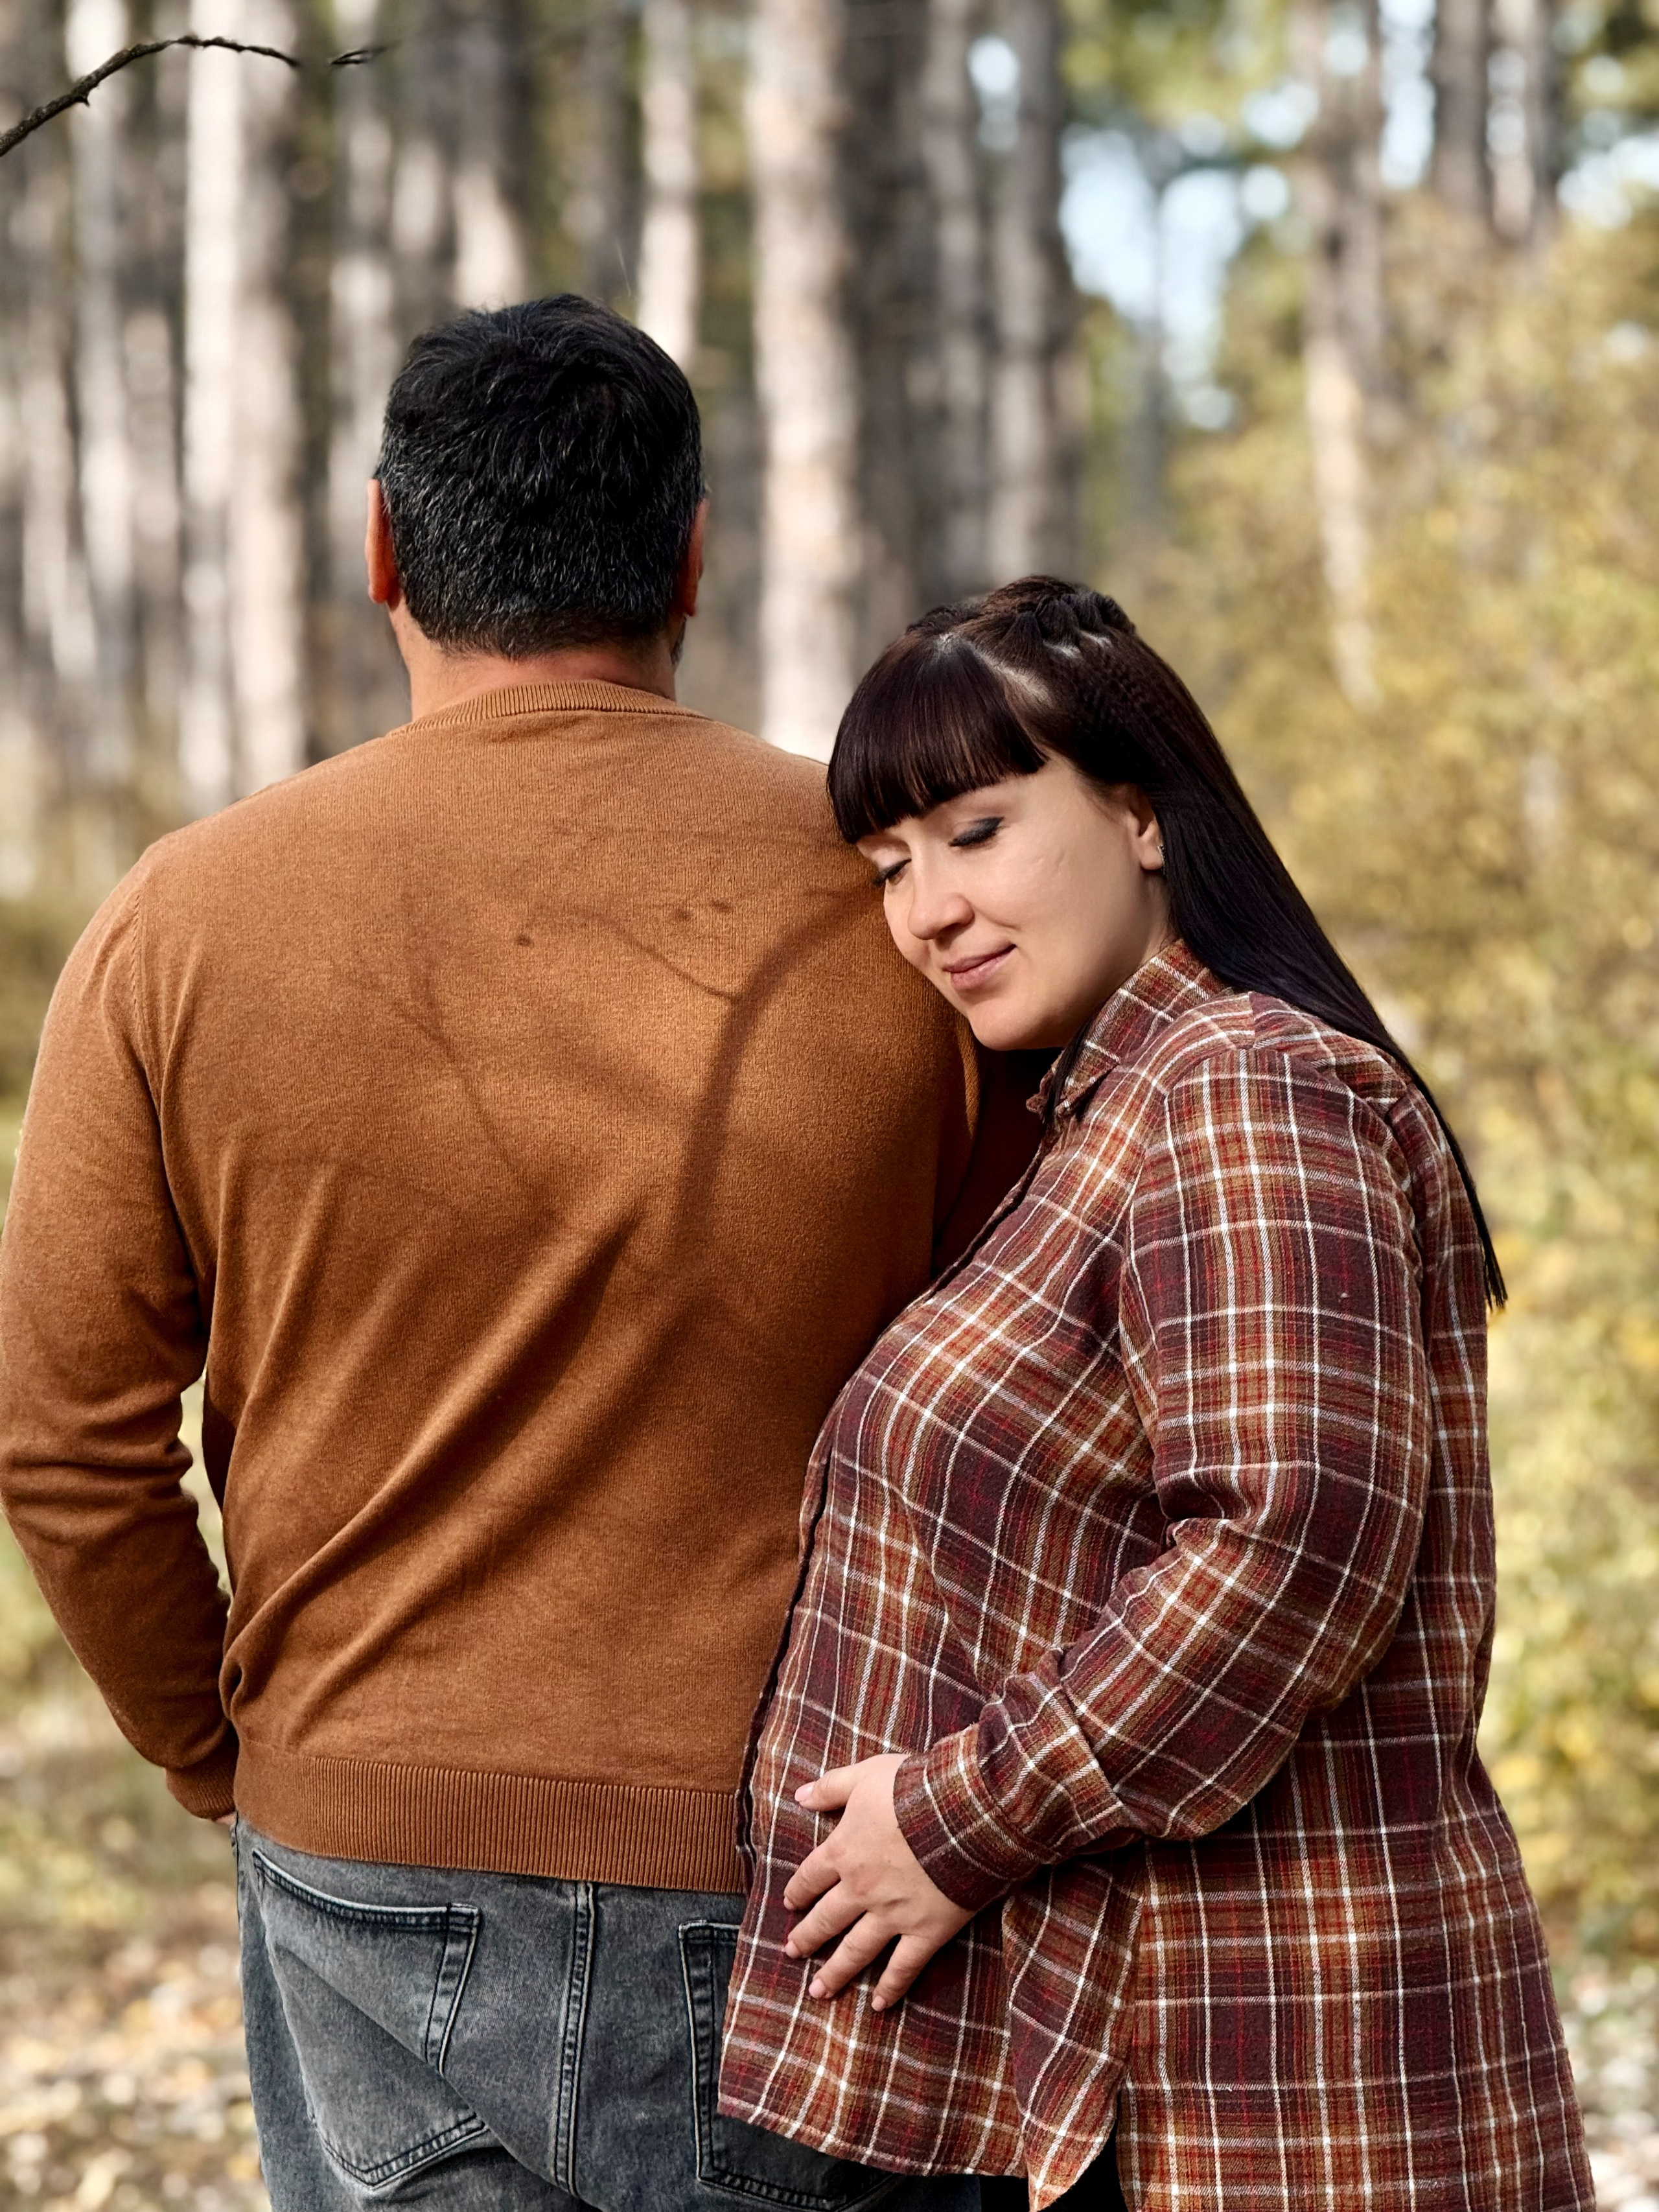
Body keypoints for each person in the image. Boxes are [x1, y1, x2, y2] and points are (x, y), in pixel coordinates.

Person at [0, 299, 1032, 2211]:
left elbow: (65, 1447)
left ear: (384, 546)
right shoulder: (906, 903)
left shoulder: (178, 919)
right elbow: (1043, 1388)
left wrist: (223, 1749)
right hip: (823, 1863)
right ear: (694, 556)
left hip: (365, 1849)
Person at [719, 579, 1594, 2211]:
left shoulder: (1240, 1087)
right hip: (1172, 2062)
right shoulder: (1103, 1115)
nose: (927, 911)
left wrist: (953, 1820)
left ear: (1137, 810)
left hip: (1272, 2080)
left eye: (975, 830)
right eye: (890, 867)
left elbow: (1291, 1537)